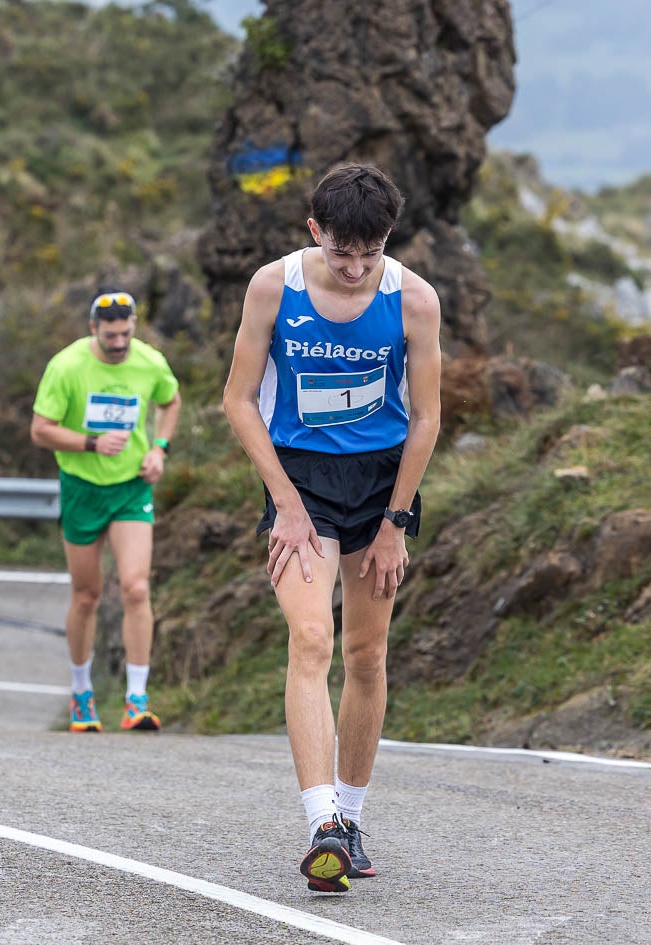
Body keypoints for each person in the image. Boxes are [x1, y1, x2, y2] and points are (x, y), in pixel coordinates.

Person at [221, 163, 442, 893]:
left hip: (381, 484)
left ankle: (350, 815)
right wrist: (282, 500)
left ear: (387, 242)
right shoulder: (272, 287)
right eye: (340, 253)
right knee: (311, 637)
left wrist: (395, 521)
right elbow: (239, 400)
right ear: (315, 233)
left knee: (367, 652)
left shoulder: (412, 300)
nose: (353, 271)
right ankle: (320, 823)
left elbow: (426, 416)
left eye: (368, 255)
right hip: (301, 483)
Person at [30, 290, 181, 733]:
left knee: (136, 588)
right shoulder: (67, 366)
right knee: (87, 595)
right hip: (82, 488)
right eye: (111, 335)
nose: (119, 343)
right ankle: (82, 694)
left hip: (131, 487)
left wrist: (159, 448)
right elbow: (40, 430)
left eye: (126, 334)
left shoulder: (149, 362)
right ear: (93, 329)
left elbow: (170, 402)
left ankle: (137, 700)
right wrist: (90, 442)